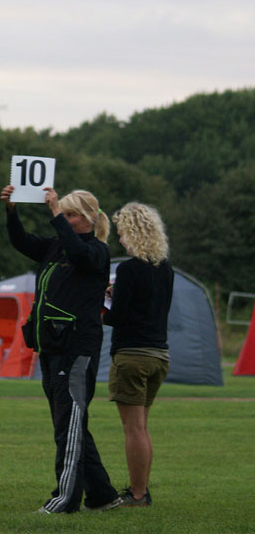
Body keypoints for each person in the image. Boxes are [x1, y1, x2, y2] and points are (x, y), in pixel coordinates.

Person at [0, 185, 121, 514]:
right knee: (71, 423)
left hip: (77, 349)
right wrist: (12, 210)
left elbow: (78, 253)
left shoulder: (96, 251)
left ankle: (65, 499)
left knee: (68, 424)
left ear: (89, 219)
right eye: (63, 213)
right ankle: (103, 495)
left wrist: (54, 214)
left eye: (70, 215)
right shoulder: (56, 246)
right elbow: (22, 241)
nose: (65, 220)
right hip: (52, 347)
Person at [102, 202, 173, 508]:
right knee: (142, 427)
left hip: (131, 356)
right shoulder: (165, 268)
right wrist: (115, 296)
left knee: (133, 429)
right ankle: (139, 489)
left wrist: (96, 307)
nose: (119, 239)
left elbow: (117, 317)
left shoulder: (128, 269)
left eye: (121, 232)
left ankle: (138, 494)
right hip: (159, 356)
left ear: (131, 232)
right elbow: (148, 308)